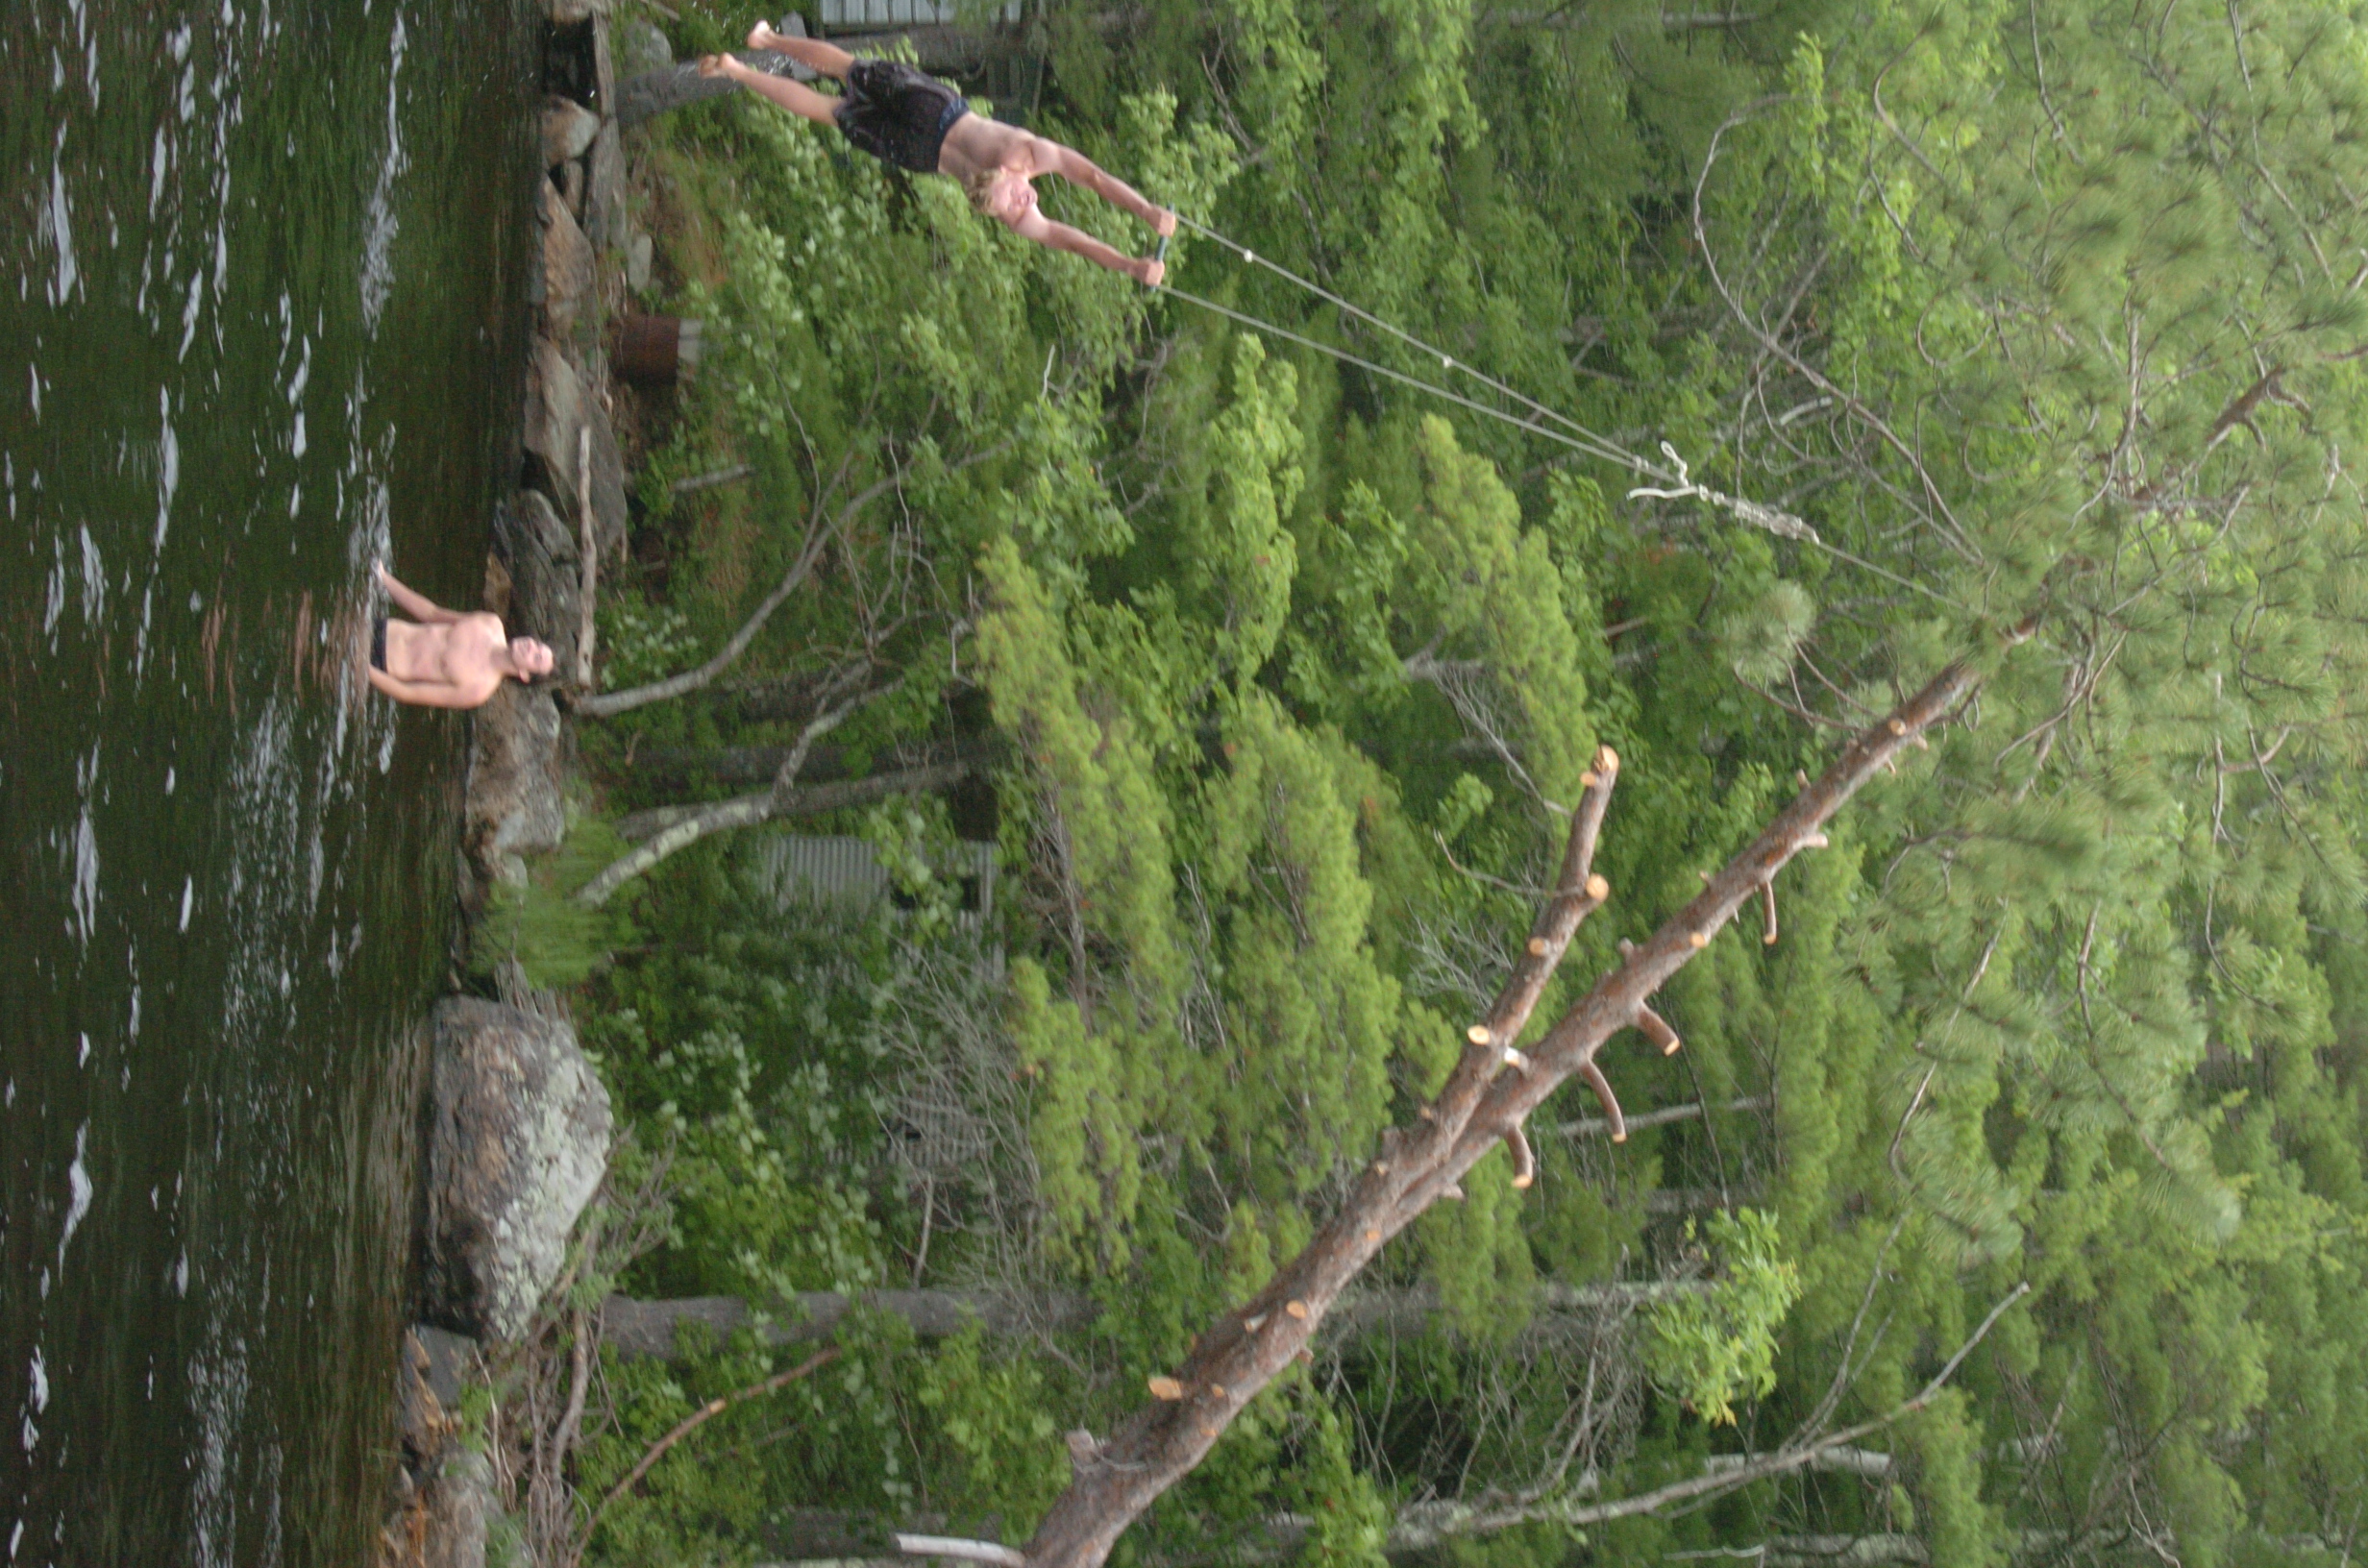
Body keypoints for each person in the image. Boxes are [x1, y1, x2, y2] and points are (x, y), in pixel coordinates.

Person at [698, 24, 1177, 285]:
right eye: (1020, 200)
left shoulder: (1028, 155)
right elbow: (1076, 216)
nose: (1025, 202)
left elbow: (1087, 192)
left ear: (1005, 180)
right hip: (920, 154)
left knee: (846, 71)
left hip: (936, 113)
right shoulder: (1014, 204)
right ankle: (740, 70)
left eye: (1014, 202)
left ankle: (765, 43)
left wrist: (1142, 225)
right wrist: (1135, 240)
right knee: (828, 108)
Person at [365, 560, 555, 709]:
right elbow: (431, 613)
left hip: (378, 662)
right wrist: (384, 579)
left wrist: (363, 667)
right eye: (537, 644)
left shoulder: (478, 690)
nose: (531, 647)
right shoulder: (490, 623)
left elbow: (408, 692)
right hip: (381, 627)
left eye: (536, 657)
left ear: (524, 675)